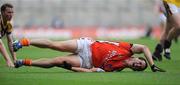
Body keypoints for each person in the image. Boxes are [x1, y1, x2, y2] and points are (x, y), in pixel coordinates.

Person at [13, 37, 165, 72]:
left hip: (86, 61)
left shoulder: (115, 70)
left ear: (134, 69)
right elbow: (145, 47)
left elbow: (91, 71)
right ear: (136, 58)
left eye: (139, 68)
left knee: (57, 61)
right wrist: (152, 65)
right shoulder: (128, 49)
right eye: (140, 62)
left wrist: (71, 68)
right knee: (56, 45)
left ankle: (23, 62)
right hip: (87, 45)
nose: (138, 65)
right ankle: (23, 42)